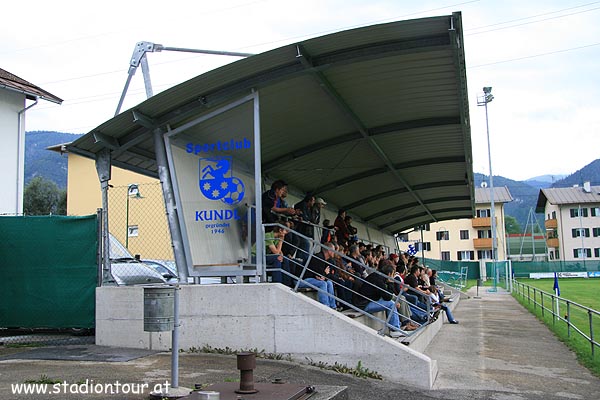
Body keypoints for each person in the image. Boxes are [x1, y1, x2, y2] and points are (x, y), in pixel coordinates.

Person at [355, 260, 404, 337]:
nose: (393, 277)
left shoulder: (378, 276)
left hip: (367, 301)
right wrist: (390, 283)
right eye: (393, 274)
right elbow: (387, 297)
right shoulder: (379, 280)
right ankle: (394, 330)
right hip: (364, 305)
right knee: (391, 304)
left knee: (392, 302)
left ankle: (397, 326)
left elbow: (385, 295)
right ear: (389, 274)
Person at [296, 242, 337, 309]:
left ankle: (333, 307)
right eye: (333, 250)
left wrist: (325, 275)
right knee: (323, 284)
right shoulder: (318, 258)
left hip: (314, 279)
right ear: (329, 251)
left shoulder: (329, 260)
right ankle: (325, 307)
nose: (334, 253)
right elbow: (319, 275)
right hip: (303, 280)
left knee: (329, 282)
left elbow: (324, 276)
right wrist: (325, 274)